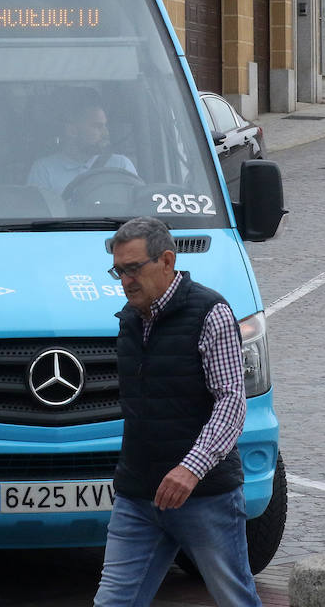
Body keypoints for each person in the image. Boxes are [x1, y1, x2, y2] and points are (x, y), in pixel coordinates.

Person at [94, 217, 261, 607]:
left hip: (204, 496)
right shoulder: (130, 320)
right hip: (138, 495)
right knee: (113, 602)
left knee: (234, 598)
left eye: (134, 268)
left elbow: (232, 401)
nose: (125, 280)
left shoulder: (210, 312)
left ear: (167, 261)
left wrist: (190, 468)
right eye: (119, 270)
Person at [26, 103, 137, 195]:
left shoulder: (121, 165)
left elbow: (137, 210)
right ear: (72, 131)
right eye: (97, 126)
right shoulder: (44, 170)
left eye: (105, 126)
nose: (105, 133)